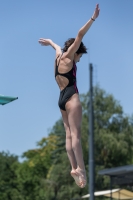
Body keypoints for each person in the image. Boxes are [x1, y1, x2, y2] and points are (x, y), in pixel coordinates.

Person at [38, 4, 100, 188]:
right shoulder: (69, 57)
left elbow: (56, 46)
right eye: (79, 56)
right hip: (72, 97)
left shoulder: (58, 56)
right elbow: (80, 35)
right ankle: (81, 169)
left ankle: (73, 167)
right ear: (76, 51)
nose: (78, 59)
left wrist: (50, 41)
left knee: (68, 135)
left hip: (61, 100)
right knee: (77, 136)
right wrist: (93, 18)